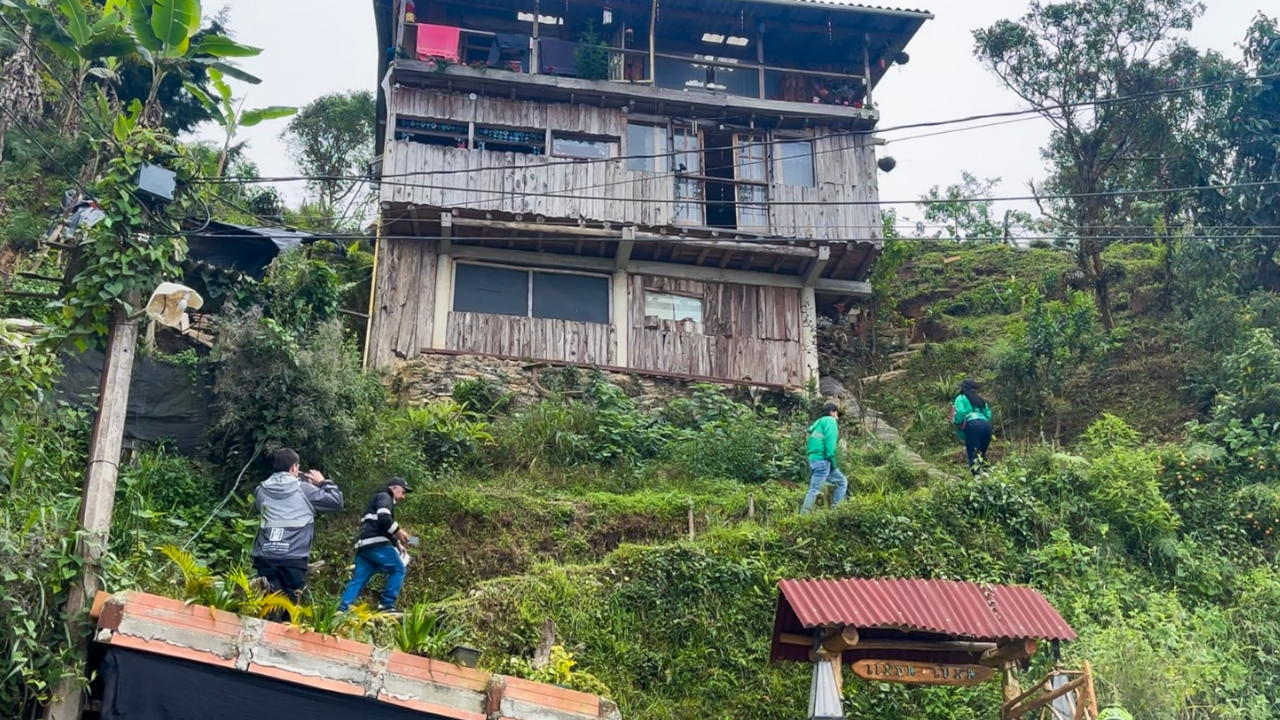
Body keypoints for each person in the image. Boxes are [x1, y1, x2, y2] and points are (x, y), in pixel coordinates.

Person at [251, 448, 344, 606]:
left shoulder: (260, 490)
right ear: (294, 467)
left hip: (266, 555)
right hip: (293, 556)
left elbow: (261, 508)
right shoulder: (304, 489)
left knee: (270, 605)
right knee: (290, 608)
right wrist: (322, 482)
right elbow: (336, 502)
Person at [338, 477, 414, 613]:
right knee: (398, 569)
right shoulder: (385, 496)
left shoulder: (377, 499)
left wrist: (397, 543)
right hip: (377, 544)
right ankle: (386, 604)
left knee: (359, 579)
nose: (403, 497)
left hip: (364, 546)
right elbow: (384, 518)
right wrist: (399, 531)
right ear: (394, 488)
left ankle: (342, 609)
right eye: (403, 492)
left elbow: (381, 525)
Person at [802, 403, 847, 513]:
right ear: (832, 412)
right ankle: (803, 516)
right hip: (823, 460)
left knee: (842, 481)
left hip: (814, 459)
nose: (837, 418)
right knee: (814, 489)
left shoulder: (818, 424)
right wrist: (832, 461)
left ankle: (836, 511)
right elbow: (829, 444)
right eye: (837, 414)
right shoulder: (830, 421)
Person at [953, 378, 993, 474]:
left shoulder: (960, 398)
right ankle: (989, 478)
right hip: (986, 426)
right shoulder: (980, 400)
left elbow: (961, 412)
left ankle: (977, 480)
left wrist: (957, 422)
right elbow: (988, 414)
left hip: (972, 426)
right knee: (982, 455)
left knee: (973, 456)